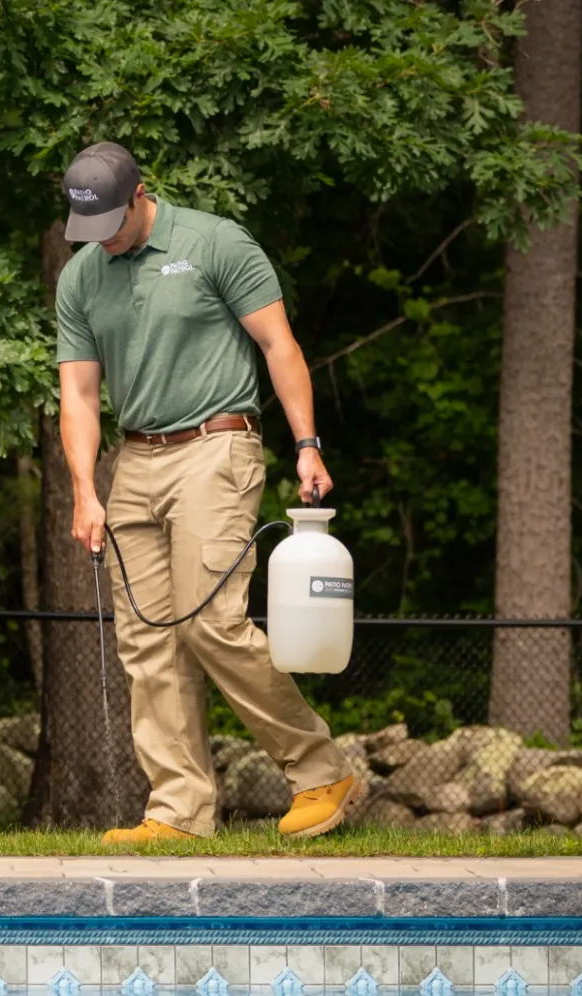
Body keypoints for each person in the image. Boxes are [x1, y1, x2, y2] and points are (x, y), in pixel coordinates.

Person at [53, 141, 363, 843]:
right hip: (134, 459)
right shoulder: (80, 278)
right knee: (146, 639)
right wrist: (84, 489)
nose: (100, 241)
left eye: (110, 223)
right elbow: (78, 390)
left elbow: (279, 345)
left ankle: (320, 772)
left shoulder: (214, 242)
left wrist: (308, 444)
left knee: (211, 622)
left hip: (217, 447)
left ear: (138, 197)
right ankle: (178, 810)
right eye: (86, 231)